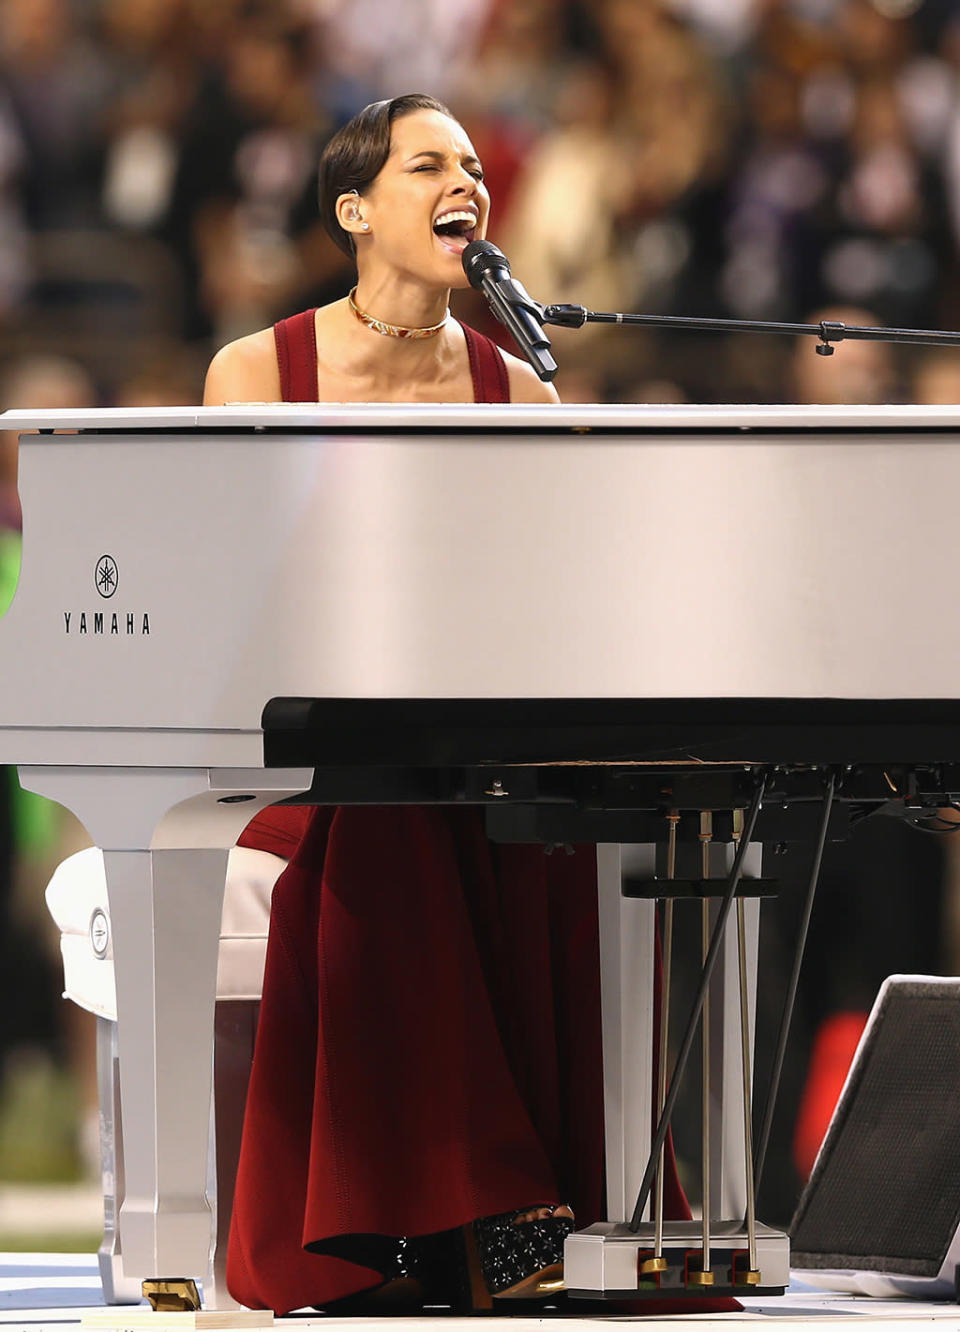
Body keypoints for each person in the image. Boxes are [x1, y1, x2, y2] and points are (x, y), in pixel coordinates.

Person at [204, 93, 694, 1316]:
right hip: (307, 763)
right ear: (356, 209)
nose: (462, 181)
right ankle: (468, 1211)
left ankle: (529, 1217)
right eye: (430, 164)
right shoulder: (260, 371)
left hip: (476, 745)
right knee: (397, 808)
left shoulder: (517, 388)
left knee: (563, 819)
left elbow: (567, 607)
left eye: (473, 165)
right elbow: (221, 596)